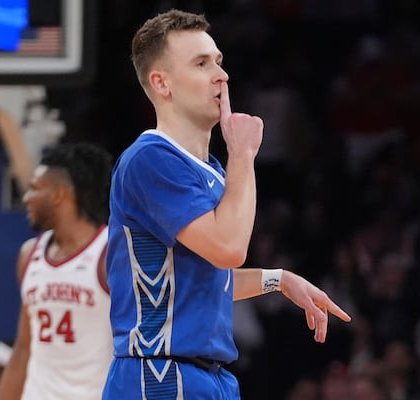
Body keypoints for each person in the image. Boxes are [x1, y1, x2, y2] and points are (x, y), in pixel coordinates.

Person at [102, 9, 352, 399]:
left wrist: (278, 279)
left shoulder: (210, 169)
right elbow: (229, 249)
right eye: (201, 64)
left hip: (206, 376)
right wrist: (243, 155)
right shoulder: (151, 159)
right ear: (161, 83)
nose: (222, 75)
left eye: (219, 61)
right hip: (162, 375)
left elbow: (199, 282)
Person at [0, 142, 115, 400]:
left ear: (60, 195)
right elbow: (24, 348)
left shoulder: (110, 253)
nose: (26, 198)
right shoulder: (29, 254)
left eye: (35, 189)